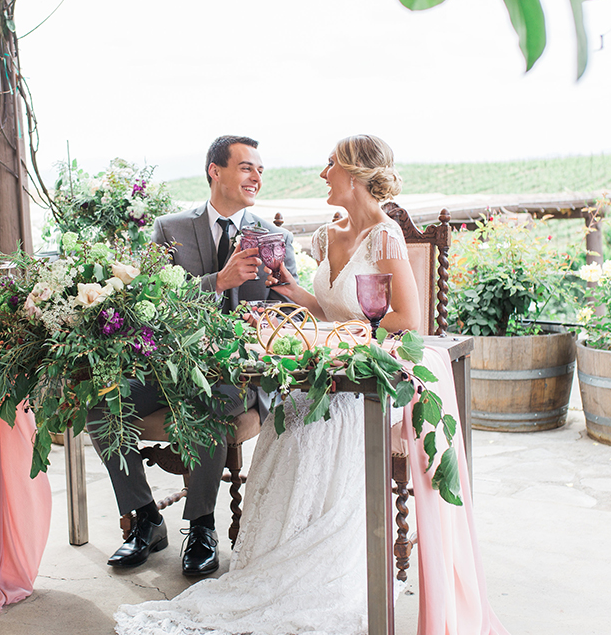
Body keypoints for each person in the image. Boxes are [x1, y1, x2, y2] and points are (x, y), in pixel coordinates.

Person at [114, 135, 509, 635]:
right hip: (323, 362)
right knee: (294, 415)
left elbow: (407, 318)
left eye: (329, 165)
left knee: (314, 421)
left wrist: (352, 333)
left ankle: (317, 563)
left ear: (354, 173)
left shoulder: (385, 235)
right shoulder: (329, 233)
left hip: (362, 375)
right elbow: (322, 309)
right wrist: (289, 288)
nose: (322, 174)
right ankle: (269, 559)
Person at [87, 135, 297, 577]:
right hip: (171, 369)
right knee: (102, 403)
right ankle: (145, 518)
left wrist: (279, 299)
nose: (256, 176)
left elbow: (288, 319)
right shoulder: (170, 229)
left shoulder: (275, 238)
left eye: (260, 169)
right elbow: (151, 300)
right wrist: (215, 281)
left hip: (239, 377)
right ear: (214, 171)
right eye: (245, 167)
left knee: (211, 404)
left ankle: (201, 525)